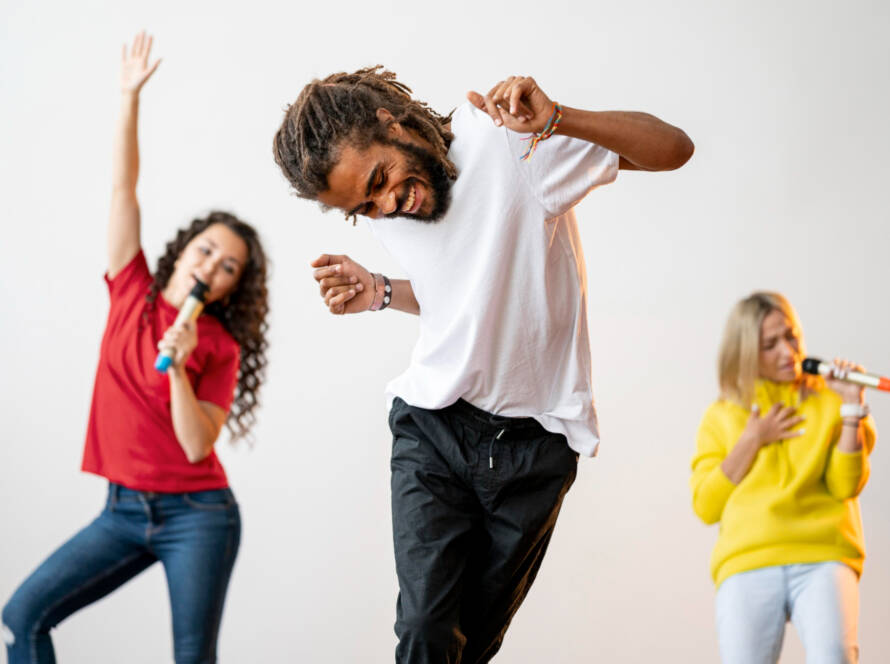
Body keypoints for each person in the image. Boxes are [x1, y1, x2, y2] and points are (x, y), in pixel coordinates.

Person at [273, 68, 692, 662]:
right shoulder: (392, 210)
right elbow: (460, 296)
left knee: (471, 645)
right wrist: (381, 290)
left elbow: (675, 149)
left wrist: (556, 120)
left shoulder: (504, 144)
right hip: (435, 429)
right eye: (364, 208)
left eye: (381, 180)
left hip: (535, 447)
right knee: (425, 631)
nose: (388, 204)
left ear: (388, 123)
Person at [2, 32, 269, 664]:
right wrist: (128, 99)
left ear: (233, 286)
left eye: (229, 266)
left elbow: (198, 443)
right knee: (23, 618)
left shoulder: (218, 345)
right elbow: (124, 190)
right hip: (121, 510)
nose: (213, 264)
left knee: (191, 658)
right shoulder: (131, 291)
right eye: (207, 248)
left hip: (199, 516)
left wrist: (177, 368)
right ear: (184, 249)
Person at [690, 292, 876, 664]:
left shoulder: (831, 399)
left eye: (791, 336)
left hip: (824, 554)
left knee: (835, 657)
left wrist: (852, 407)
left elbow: (846, 486)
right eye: (769, 345)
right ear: (745, 353)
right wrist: (753, 439)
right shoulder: (722, 414)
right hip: (748, 560)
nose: (787, 351)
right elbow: (706, 506)